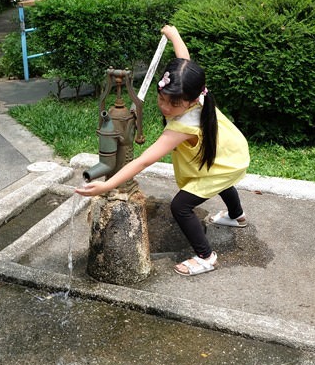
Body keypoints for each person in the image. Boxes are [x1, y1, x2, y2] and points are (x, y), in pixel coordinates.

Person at [76, 25, 250, 277]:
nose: (165, 107)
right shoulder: (191, 87)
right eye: (161, 98)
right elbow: (184, 60)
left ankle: (206, 256)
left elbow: (144, 161)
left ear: (191, 101)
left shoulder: (183, 126)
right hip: (229, 152)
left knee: (181, 205)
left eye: (173, 103)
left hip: (226, 161)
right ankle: (237, 216)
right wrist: (174, 35)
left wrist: (106, 185)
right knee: (219, 177)